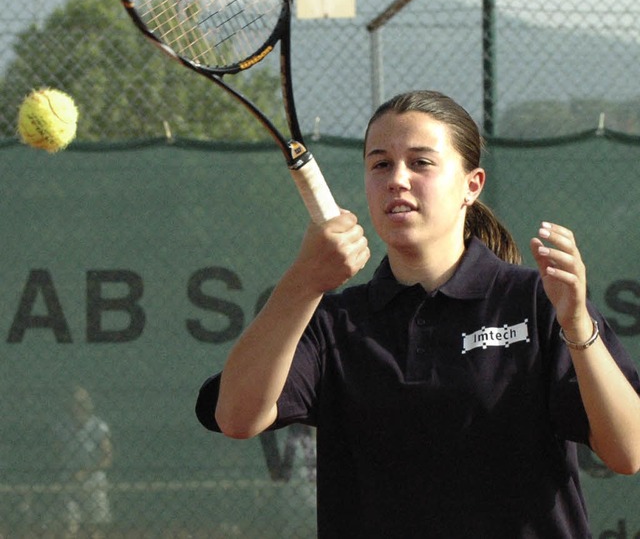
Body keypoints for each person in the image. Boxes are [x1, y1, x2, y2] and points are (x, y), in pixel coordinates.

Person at [196, 90, 640, 538]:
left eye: (421, 162)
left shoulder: (537, 301)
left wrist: (578, 326)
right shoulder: (333, 322)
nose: (397, 179)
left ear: (472, 184)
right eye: (380, 164)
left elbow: (628, 452)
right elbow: (237, 417)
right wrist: (302, 282)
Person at [55, 385, 113, 538]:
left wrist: (86, 472)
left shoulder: (98, 426)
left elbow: (107, 457)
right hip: (69, 481)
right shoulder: (62, 426)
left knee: (93, 528)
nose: (80, 405)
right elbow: (56, 453)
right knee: (69, 526)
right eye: (76, 401)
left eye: (83, 401)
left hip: (93, 481)